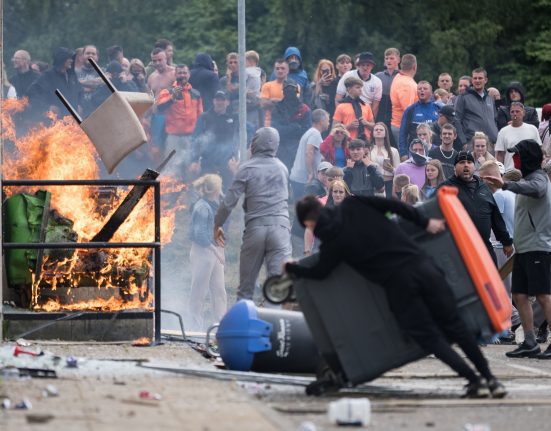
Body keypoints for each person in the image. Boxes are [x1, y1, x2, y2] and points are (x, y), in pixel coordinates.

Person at [285, 195, 506, 399]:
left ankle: (474, 380)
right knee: (456, 326)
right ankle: (491, 379)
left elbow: (320, 273)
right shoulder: (354, 204)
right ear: (322, 207)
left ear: (309, 223)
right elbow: (394, 206)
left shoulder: (333, 244)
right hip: (424, 268)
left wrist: (293, 268)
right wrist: (424, 222)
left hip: (399, 286)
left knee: (430, 338)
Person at [482, 140, 551, 359]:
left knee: (543, 296)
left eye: (519, 155)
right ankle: (529, 341)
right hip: (525, 249)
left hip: (538, 247)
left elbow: (538, 189)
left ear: (529, 157)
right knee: (519, 295)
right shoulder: (526, 179)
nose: (516, 160)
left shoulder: (539, 179)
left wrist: (505, 184)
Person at [214, 127, 292, 301]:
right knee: (278, 287)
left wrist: (217, 224)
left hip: (255, 228)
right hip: (280, 227)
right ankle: (277, 327)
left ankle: (242, 325)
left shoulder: (246, 168)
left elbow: (228, 202)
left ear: (255, 144)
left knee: (245, 289)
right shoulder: (282, 168)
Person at [438, 151, 513, 264]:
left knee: (491, 279)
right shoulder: (445, 188)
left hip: (484, 248)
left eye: (469, 162)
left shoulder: (484, 187)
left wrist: (506, 241)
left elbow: (495, 218)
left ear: (474, 167)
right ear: (455, 167)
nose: (466, 165)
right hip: (457, 250)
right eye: (462, 162)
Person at [188, 174, 227, 330]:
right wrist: (216, 252)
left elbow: (211, 227)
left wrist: (219, 236)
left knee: (219, 291)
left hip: (213, 251)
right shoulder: (202, 207)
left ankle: (221, 325)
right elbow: (200, 235)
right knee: (199, 291)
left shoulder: (213, 204)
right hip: (203, 252)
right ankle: (195, 327)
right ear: (215, 189)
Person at [156, 64, 203, 180]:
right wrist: (172, 98)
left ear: (189, 75)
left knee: (191, 170)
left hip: (191, 138)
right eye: (179, 73)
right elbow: (159, 108)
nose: (182, 75)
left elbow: (200, 116)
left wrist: (199, 136)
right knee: (171, 170)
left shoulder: (196, 94)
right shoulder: (167, 91)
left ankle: (190, 197)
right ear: (175, 75)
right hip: (173, 138)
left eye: (184, 73)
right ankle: (168, 197)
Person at [190, 90, 238, 189]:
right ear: (213, 101)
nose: (219, 102)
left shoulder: (233, 118)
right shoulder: (204, 117)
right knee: (207, 191)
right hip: (208, 163)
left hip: (226, 164)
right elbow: (195, 140)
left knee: (226, 192)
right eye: (217, 100)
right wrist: (194, 160)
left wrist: (236, 158)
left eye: (222, 100)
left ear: (227, 102)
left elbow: (238, 139)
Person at [28, 47, 81, 122]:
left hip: (73, 122)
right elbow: (32, 94)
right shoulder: (48, 76)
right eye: (69, 58)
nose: (71, 61)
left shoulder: (72, 76)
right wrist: (47, 107)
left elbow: (79, 92)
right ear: (62, 59)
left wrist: (79, 105)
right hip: (55, 123)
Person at [289, 109, 330, 200]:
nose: (328, 123)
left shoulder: (311, 132)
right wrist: (311, 173)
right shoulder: (315, 134)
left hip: (298, 178)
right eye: (328, 120)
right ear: (321, 121)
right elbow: (309, 152)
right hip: (304, 179)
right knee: (303, 209)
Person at [270, 81, 312, 169]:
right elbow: (275, 130)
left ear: (297, 92)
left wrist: (289, 129)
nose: (290, 92)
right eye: (287, 89)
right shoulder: (277, 108)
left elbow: (306, 132)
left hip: (298, 149)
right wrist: (294, 127)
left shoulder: (304, 109)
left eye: (292, 89)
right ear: (283, 91)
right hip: (280, 148)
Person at [454, 68, 498, 144]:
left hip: (491, 143)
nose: (477, 80)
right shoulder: (463, 97)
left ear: (486, 80)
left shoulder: (489, 98)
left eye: (480, 78)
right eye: (475, 78)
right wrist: (463, 142)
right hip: (472, 143)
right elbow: (456, 120)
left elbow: (495, 120)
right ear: (472, 80)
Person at [495, 102, 542, 171]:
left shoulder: (532, 129)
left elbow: (539, 150)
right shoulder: (503, 131)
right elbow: (500, 154)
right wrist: (500, 171)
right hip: (510, 171)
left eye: (517, 111)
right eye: (512, 112)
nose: (515, 114)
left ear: (523, 113)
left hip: (530, 171)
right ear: (510, 114)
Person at [399, 81, 440, 159]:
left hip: (434, 152)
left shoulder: (438, 108)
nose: (422, 90)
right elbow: (403, 133)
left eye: (425, 88)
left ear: (431, 92)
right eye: (419, 89)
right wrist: (403, 153)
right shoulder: (410, 110)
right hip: (415, 152)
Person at [336, 52, 382, 119]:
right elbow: (338, 96)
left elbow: (375, 105)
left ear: (372, 66)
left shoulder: (377, 81)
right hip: (348, 110)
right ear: (358, 65)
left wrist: (370, 121)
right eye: (363, 65)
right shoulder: (348, 75)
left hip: (366, 112)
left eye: (368, 65)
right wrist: (340, 116)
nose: (365, 68)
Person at [333, 76, 374, 141]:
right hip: (348, 141)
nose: (360, 89)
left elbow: (373, 126)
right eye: (357, 87)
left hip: (365, 143)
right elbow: (334, 129)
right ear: (349, 90)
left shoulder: (366, 105)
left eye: (361, 87)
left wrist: (366, 123)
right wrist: (349, 126)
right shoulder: (341, 106)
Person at [390, 53, 418, 148]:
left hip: (399, 125)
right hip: (403, 127)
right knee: (407, 159)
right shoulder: (407, 84)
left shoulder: (399, 76)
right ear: (414, 67)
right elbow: (408, 110)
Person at [370, 122, 400, 197]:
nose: (378, 131)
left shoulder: (394, 151)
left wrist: (392, 169)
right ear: (372, 133)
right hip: (373, 184)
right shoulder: (368, 150)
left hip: (389, 183)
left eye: (381, 130)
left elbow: (399, 171)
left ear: (386, 133)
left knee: (387, 208)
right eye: (376, 129)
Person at [260, 59, 292, 126]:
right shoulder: (267, 86)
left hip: (289, 122)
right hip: (270, 122)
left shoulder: (294, 86)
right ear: (274, 71)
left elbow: (293, 105)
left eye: (283, 68)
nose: (280, 71)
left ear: (288, 70)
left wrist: (272, 101)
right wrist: (282, 101)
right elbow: (263, 104)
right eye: (277, 68)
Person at [375, 47, 401, 129]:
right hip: (380, 114)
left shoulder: (403, 76)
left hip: (396, 115)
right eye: (386, 58)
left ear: (398, 60)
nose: (389, 61)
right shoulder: (378, 76)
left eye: (392, 58)